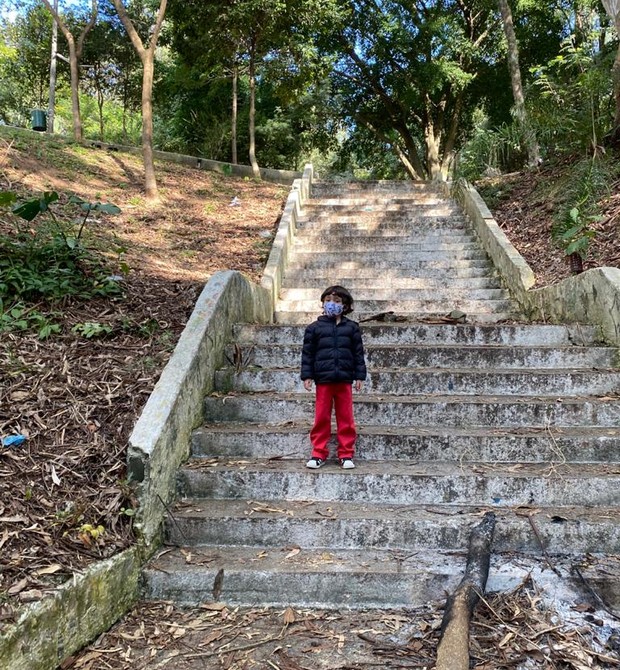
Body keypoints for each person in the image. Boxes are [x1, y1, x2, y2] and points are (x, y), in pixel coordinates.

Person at [300, 285, 367, 469]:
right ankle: (318, 452)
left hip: (344, 380)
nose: (332, 304)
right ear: (322, 303)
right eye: (328, 301)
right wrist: (307, 375)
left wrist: (359, 375)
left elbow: (358, 354)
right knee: (321, 417)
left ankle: (346, 453)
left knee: (346, 418)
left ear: (345, 306)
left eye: (337, 301)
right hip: (323, 380)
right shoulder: (314, 328)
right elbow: (308, 354)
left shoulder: (352, 328)